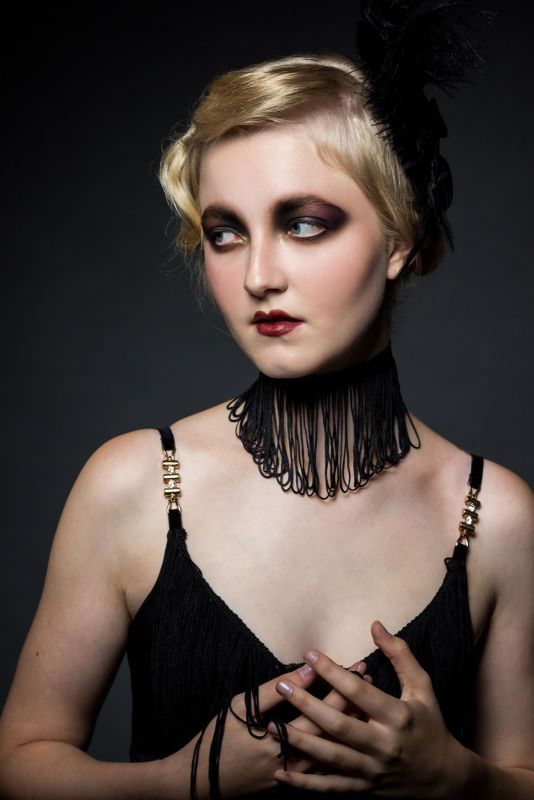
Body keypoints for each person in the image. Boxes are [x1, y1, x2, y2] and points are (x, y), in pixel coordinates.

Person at [1, 4, 534, 800]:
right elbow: (20, 761)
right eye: (225, 233)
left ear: (399, 236)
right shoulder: (136, 484)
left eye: (305, 224)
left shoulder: (494, 517)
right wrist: (180, 781)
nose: (257, 276)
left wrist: (457, 776)